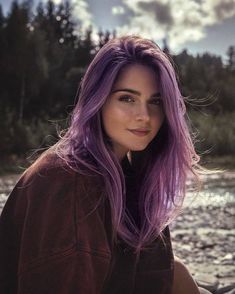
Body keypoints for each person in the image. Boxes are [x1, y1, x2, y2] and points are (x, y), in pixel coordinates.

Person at [0, 35, 210, 293]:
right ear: (97, 101)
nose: (144, 116)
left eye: (155, 101)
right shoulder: (68, 181)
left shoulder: (126, 173)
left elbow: (157, 273)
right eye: (127, 98)